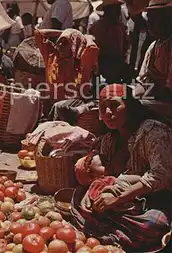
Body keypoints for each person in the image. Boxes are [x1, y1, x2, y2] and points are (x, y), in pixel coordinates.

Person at [71, 84, 172, 252]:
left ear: (129, 105)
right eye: (103, 109)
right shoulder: (109, 140)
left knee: (155, 224)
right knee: (79, 197)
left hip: (155, 197)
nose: (108, 113)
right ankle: (116, 232)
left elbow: (160, 176)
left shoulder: (153, 131)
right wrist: (95, 193)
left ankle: (109, 232)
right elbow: (106, 176)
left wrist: (118, 198)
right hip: (123, 196)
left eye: (115, 105)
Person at [134, 0, 172, 102]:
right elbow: (142, 82)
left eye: (154, 20)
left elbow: (168, 91)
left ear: (168, 19)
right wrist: (131, 93)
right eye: (148, 20)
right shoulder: (153, 46)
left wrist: (145, 98)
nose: (149, 24)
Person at [89, 0, 130, 83]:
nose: (119, 12)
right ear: (107, 10)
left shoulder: (121, 27)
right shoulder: (98, 27)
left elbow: (125, 45)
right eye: (116, 9)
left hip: (118, 63)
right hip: (103, 64)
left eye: (119, 9)